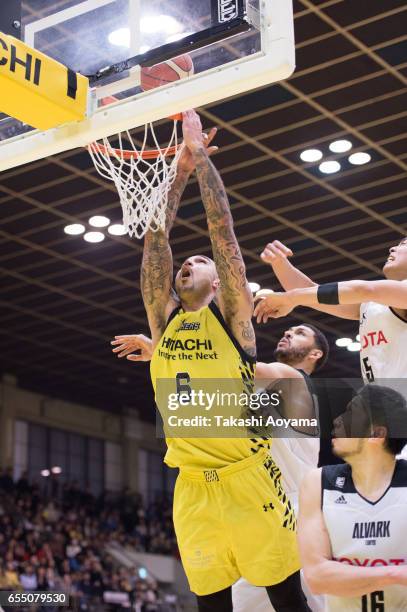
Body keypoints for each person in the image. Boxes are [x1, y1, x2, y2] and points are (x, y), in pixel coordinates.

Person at [136, 109, 310, 611]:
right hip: (191, 488)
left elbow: (223, 231)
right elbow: (156, 239)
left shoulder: (233, 320)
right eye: (185, 263)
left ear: (220, 282)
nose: (188, 263)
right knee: (211, 606)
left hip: (248, 477)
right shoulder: (162, 321)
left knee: (287, 599)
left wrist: (202, 163)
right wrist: (179, 171)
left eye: (200, 262)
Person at [112, 323, 330, 612]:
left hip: (291, 509)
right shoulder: (248, 387)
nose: (288, 333)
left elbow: (230, 364)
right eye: (289, 330)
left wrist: (163, 348)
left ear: (315, 354)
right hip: (252, 504)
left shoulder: (294, 379)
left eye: (300, 332)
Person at [298, 384, 407, 611]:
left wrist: (351, 576)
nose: (337, 420)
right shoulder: (317, 482)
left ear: (377, 434)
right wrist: (396, 573)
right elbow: (317, 576)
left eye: (351, 412)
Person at [252, 238, 407, 385]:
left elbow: (364, 289)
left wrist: (291, 298)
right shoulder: (373, 304)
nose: (393, 248)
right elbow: (312, 294)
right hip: (386, 404)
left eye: (404, 244)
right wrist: (279, 263)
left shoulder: (376, 293)